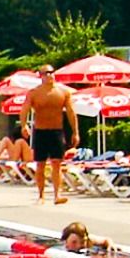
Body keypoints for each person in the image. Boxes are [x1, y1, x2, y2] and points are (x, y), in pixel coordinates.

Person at [25, 68, 79, 204]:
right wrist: (24, 125)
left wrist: (75, 132)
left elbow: (71, 112)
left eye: (51, 72)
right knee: (40, 164)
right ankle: (41, 196)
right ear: (41, 76)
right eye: (46, 73)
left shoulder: (63, 92)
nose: (49, 75)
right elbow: (24, 109)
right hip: (41, 131)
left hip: (57, 131)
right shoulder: (34, 93)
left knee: (56, 163)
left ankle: (57, 195)